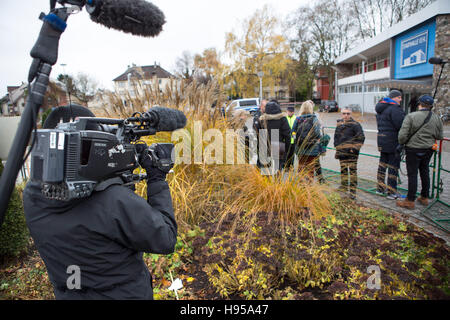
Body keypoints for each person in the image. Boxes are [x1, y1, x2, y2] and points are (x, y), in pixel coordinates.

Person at [22, 106, 178, 300]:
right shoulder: (114, 202)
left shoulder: (32, 195)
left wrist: (117, 174)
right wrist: (157, 179)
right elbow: (166, 238)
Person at [396, 95, 444, 209]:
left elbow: (402, 136)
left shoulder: (411, 116)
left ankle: (410, 200)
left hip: (413, 149)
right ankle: (424, 197)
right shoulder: (436, 118)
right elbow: (439, 135)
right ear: (431, 106)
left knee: (413, 174)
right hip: (428, 149)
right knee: (425, 172)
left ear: (419, 104)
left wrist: (403, 143)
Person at [375, 89, 405, 199]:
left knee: (382, 165)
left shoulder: (381, 108)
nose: (400, 100)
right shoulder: (395, 109)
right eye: (399, 97)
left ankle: (380, 188)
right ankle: (391, 192)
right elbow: (401, 126)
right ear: (394, 98)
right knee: (393, 167)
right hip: (393, 141)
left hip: (382, 140)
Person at [334, 108, 365, 199]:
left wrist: (354, 149)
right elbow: (336, 136)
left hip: (352, 153)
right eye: (344, 113)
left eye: (348, 113)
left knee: (352, 172)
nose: (346, 115)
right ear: (341, 114)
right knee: (343, 170)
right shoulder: (339, 124)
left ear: (350, 114)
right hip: (341, 152)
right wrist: (337, 147)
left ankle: (352, 191)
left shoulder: (355, 125)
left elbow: (361, 138)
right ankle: (343, 186)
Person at [292, 100, 324, 181]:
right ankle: (309, 188)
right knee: (310, 169)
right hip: (312, 149)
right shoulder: (314, 118)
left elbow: (292, 132)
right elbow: (317, 133)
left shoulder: (298, 119)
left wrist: (298, 141)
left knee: (301, 167)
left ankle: (301, 187)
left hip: (300, 148)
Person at [258, 99, 291, 171]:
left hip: (266, 147)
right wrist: (287, 149)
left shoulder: (262, 120)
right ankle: (277, 181)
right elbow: (287, 135)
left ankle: (268, 181)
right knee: (278, 169)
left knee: (266, 170)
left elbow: (259, 136)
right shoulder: (282, 119)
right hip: (279, 146)